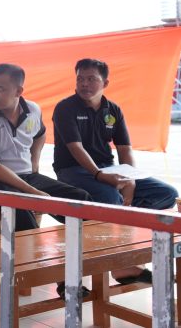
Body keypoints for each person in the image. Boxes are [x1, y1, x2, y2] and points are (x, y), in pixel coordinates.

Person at [0, 63, 93, 299]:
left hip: (25, 175)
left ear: (18, 91)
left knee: (80, 199)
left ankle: (82, 263)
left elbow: (40, 134)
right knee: (22, 206)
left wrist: (34, 161)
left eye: (0, 88)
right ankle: (63, 280)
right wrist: (32, 191)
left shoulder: (32, 109)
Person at [53, 58, 178, 285]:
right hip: (73, 170)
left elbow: (124, 149)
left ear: (105, 83)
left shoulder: (113, 110)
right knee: (111, 198)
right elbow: (75, 148)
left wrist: (130, 179)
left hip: (109, 168)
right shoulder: (65, 108)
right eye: (80, 79)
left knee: (166, 193)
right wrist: (100, 176)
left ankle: (117, 222)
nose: (84, 84)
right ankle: (121, 265)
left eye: (91, 79)